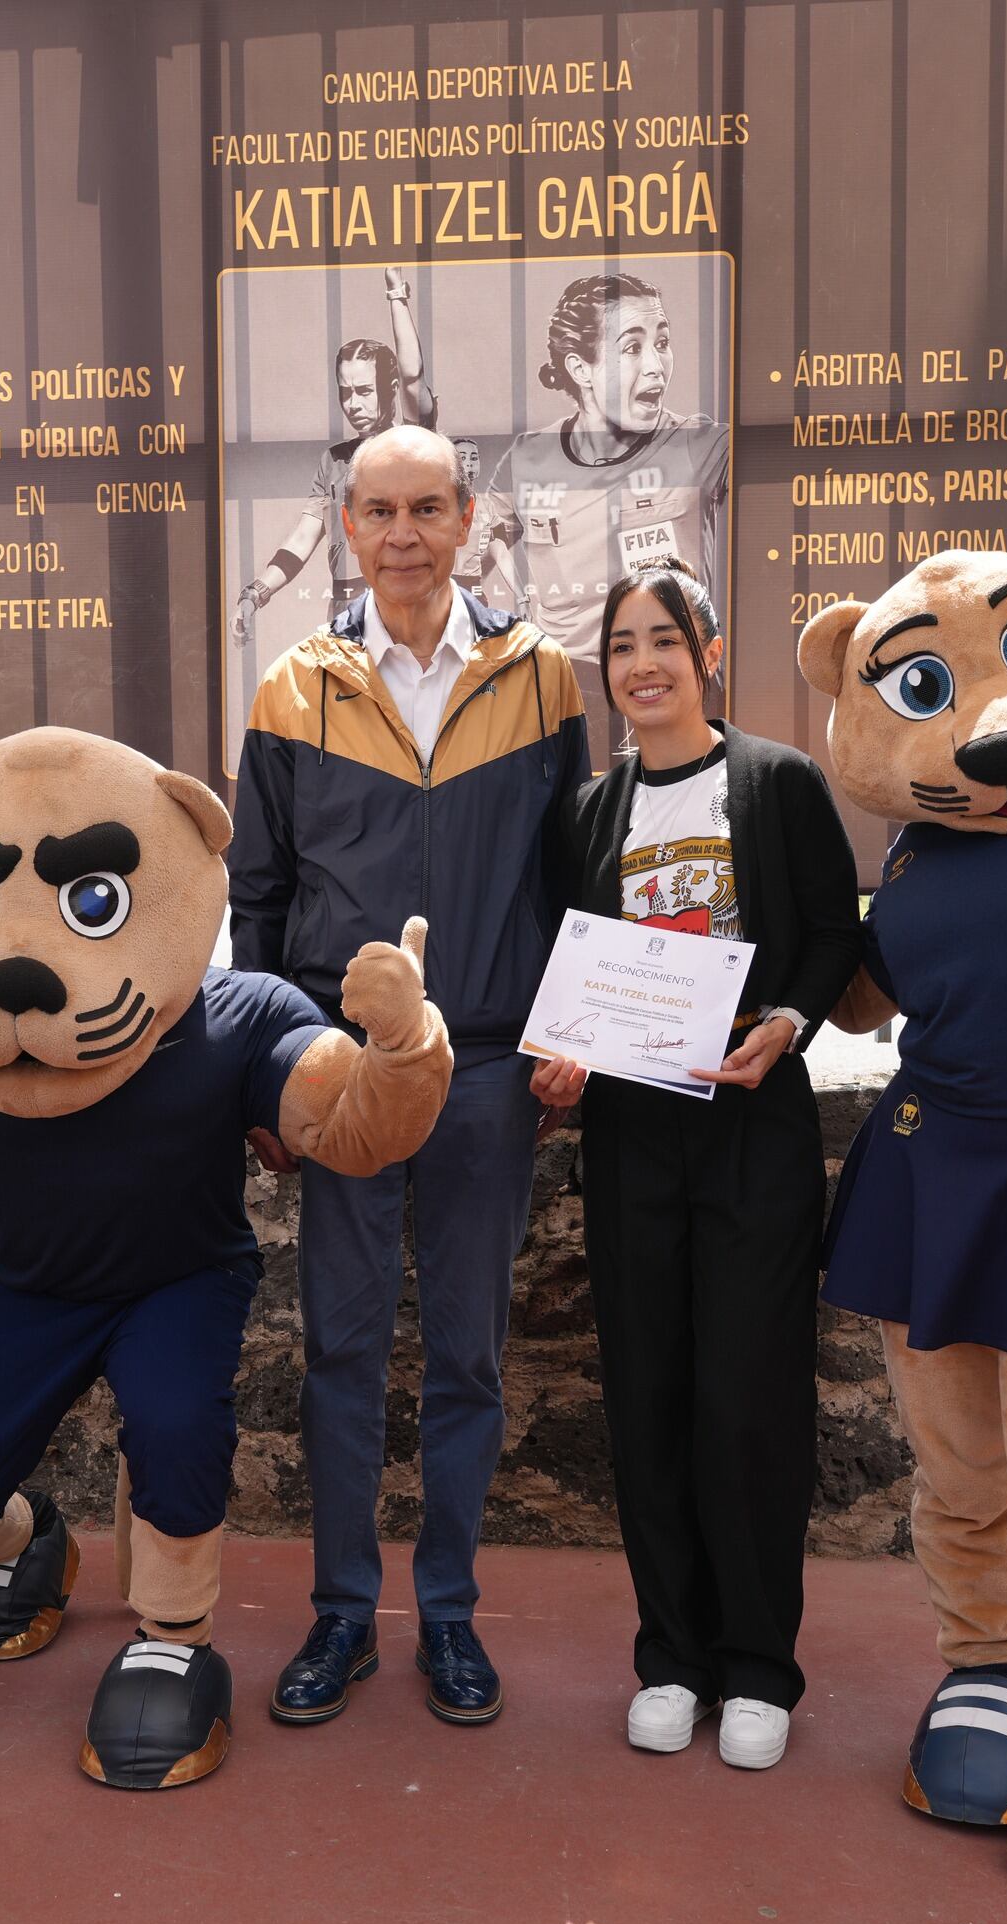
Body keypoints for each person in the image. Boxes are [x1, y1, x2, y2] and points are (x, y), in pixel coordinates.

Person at [230, 424, 589, 1727]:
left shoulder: (544, 679)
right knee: (338, 1350)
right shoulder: (292, 686)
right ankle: (339, 1618)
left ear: (467, 516)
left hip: (492, 1071)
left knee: (467, 1359)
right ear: (346, 525)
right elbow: (256, 903)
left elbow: (572, 884)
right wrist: (266, 1073)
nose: (402, 531)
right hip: (339, 1076)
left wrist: (573, 1039)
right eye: (378, 508)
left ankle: (447, 1615)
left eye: (426, 505)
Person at [529, 559, 861, 1768]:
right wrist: (561, 1060)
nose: (644, 663)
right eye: (622, 645)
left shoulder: (774, 784)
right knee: (649, 1390)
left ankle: (760, 1663)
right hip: (630, 1133)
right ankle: (670, 1652)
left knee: (750, 1395)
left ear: (708, 652)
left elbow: (834, 931)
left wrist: (785, 1021)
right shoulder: (588, 811)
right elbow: (575, 971)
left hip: (751, 1126)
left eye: (665, 638)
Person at [482, 273, 732, 758]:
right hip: (567, 689)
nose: (657, 366)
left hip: (677, 675)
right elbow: (478, 544)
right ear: (581, 367)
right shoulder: (528, 457)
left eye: (662, 343)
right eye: (632, 348)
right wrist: (522, 599)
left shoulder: (701, 446)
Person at [231, 265, 439, 642]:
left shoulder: (414, 440)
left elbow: (412, 374)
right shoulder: (334, 461)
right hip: (349, 616)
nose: (353, 404)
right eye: (345, 392)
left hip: (408, 612)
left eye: (364, 390)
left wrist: (396, 296)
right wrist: (256, 593)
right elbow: (303, 538)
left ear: (389, 389)